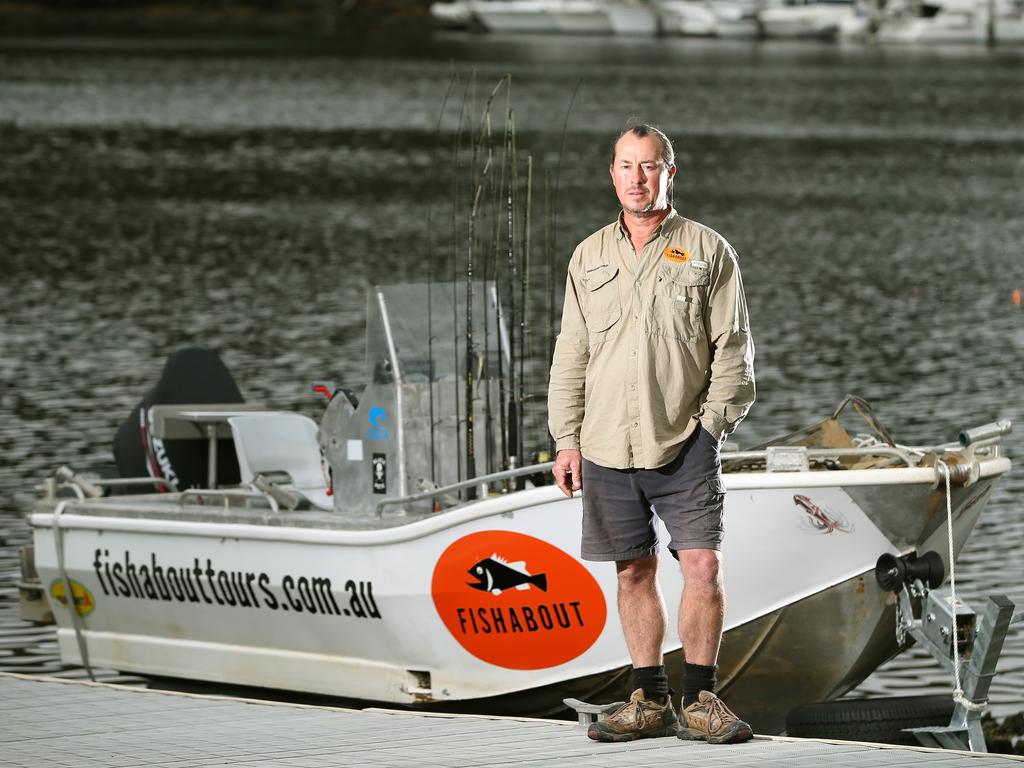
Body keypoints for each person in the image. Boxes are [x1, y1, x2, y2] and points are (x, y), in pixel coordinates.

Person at [547, 124, 755, 745]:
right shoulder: (588, 256)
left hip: (683, 440)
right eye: (626, 166)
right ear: (612, 173)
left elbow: (734, 351)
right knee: (632, 571)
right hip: (606, 442)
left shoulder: (708, 251)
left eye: (650, 166)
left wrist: (711, 427)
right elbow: (571, 351)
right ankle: (647, 699)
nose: (638, 178)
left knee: (701, 564)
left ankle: (702, 699)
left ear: (671, 173)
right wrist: (567, 437)